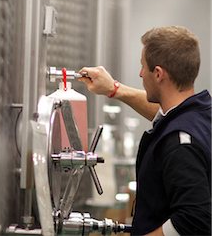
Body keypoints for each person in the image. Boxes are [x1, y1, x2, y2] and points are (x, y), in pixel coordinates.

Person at [78, 26, 211, 236]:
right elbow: (165, 115)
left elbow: (193, 219)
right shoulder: (200, 113)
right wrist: (114, 88)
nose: (140, 73)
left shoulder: (180, 143)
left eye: (143, 67)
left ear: (158, 74)